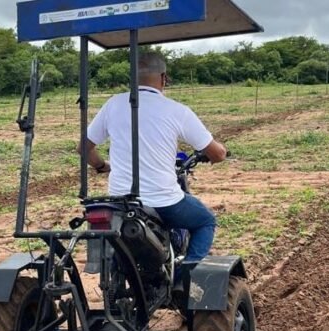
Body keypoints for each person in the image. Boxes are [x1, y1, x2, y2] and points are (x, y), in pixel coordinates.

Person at [80, 52, 228, 263]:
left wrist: (102, 165)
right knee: (205, 221)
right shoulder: (177, 110)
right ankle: (183, 280)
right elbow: (218, 154)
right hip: (163, 202)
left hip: (120, 201)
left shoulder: (113, 104)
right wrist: (220, 151)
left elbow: (84, 148)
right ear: (163, 78)